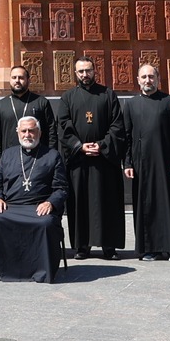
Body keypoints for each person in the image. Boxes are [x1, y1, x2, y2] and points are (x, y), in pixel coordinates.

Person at [55, 56, 126, 260]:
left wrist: (102, 145)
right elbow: (63, 126)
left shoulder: (108, 95)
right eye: (81, 71)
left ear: (95, 71)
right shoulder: (68, 97)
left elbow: (117, 126)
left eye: (88, 70)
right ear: (75, 73)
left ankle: (109, 246)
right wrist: (80, 146)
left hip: (104, 161)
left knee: (107, 202)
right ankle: (82, 246)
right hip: (79, 161)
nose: (85, 75)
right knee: (80, 204)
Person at [0, 116, 67, 283]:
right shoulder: (7, 155)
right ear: (18, 133)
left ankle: (42, 271)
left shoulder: (52, 156)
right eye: (24, 131)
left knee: (46, 223)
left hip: (38, 207)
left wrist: (50, 202)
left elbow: (61, 188)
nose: (27, 135)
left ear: (39, 133)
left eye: (31, 131)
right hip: (11, 207)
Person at [121, 63, 170, 262]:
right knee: (147, 206)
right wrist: (128, 163)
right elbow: (126, 136)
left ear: (158, 79)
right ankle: (150, 249)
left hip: (167, 164)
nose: (147, 80)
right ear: (138, 80)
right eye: (144, 77)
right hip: (142, 165)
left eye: (151, 76)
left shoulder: (169, 102)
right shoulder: (131, 105)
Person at [0, 65, 54, 157]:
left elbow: (51, 132)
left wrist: (51, 156)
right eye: (14, 77)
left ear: (28, 80)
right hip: (9, 157)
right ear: (10, 80)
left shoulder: (41, 102)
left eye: (21, 78)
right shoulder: (1, 105)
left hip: (39, 157)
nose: (17, 80)